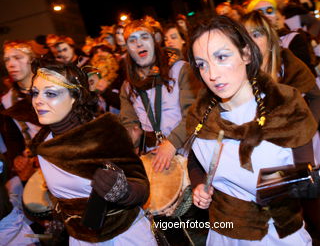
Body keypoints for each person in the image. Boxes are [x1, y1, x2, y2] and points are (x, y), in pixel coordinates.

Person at [186, 15, 320, 245]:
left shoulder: (284, 106)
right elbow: (196, 161)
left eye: (221, 57)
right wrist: (199, 184)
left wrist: (266, 188)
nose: (212, 74)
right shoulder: (201, 116)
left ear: (246, 53)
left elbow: (310, 175)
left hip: (277, 235)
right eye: (202, 64)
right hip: (224, 235)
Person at [30, 59, 156, 245]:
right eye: (35, 93)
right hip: (80, 239)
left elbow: (142, 187)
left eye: (50, 93)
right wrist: (60, 220)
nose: (38, 100)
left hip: (122, 236)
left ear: (74, 97)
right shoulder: (42, 140)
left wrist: (122, 191)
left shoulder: (103, 133)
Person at [242, 11, 320, 246]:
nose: (252, 40)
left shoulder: (286, 61)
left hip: (298, 150)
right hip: (266, 155)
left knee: (308, 208)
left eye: (257, 33)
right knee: (283, 217)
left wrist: (309, 127)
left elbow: (316, 96)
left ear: (269, 36)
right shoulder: (241, 71)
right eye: (246, 36)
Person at [120, 18, 200, 172]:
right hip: (155, 155)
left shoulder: (181, 69)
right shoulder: (127, 87)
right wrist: (130, 142)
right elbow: (130, 125)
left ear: (155, 41)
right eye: (132, 40)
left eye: (144, 37)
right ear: (127, 48)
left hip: (188, 150)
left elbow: (194, 113)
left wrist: (171, 144)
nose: (139, 44)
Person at [1, 41, 41, 183]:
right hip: (38, 166)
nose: (11, 64)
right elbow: (12, 137)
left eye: (18, 57)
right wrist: (17, 157)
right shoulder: (7, 100)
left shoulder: (53, 87)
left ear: (32, 59)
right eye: (7, 60)